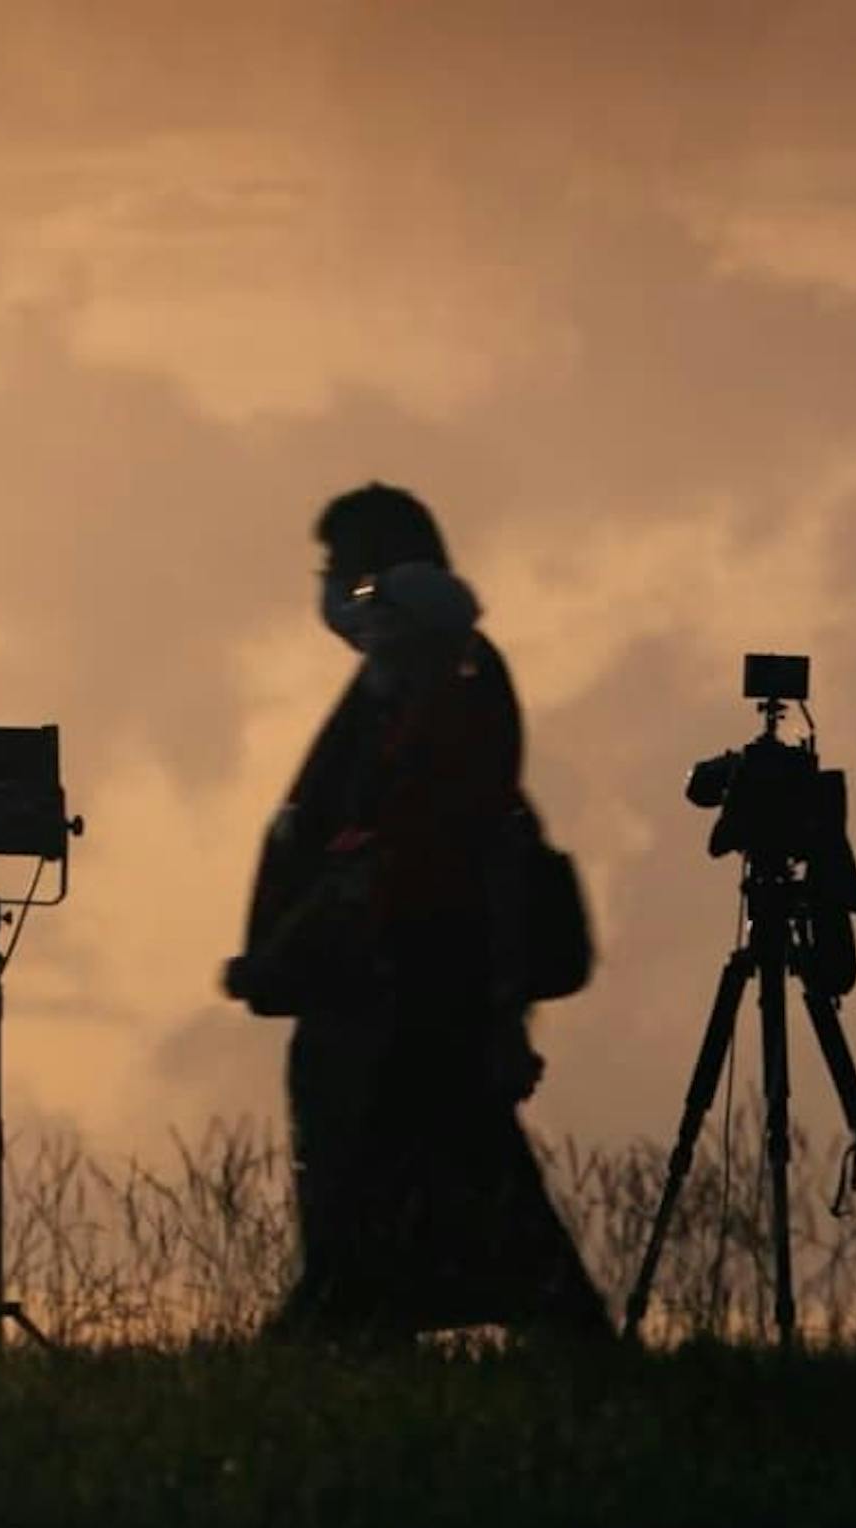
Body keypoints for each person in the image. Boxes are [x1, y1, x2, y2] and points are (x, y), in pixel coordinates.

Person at [228, 482, 616, 1360]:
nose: (330, 591)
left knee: (396, 1188)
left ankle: (340, 1337)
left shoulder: (447, 684)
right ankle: (364, 1334)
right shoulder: (405, 683)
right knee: (441, 1193)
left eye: (342, 573)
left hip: (409, 987)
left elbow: (403, 847)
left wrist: (285, 951)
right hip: (396, 988)